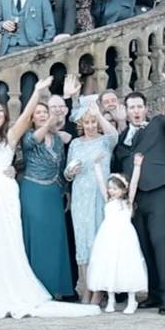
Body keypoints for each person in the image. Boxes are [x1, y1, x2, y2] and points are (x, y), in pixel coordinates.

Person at [0, 84, 99, 319]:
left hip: (2, 191)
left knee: (5, 237)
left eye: (0, 112)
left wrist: (37, 93)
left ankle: (7, 286)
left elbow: (25, 117)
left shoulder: (11, 135)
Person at [111, 61, 165, 315]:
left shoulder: (158, 126)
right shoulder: (122, 138)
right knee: (143, 246)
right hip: (134, 200)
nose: (136, 111)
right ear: (126, 111)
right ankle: (153, 293)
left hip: (159, 193)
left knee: (161, 241)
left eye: (139, 106)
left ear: (146, 108)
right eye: (131, 107)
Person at [20, 82, 75, 298]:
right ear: (33, 118)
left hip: (53, 193)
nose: (43, 115)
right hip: (33, 192)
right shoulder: (28, 136)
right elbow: (33, 140)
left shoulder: (59, 141)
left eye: (46, 112)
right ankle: (35, 288)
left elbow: (61, 168)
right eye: (39, 113)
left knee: (55, 239)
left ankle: (56, 287)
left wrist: (66, 187)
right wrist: (50, 123)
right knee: (36, 238)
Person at [64, 102, 119, 303]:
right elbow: (67, 173)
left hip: (100, 196)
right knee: (82, 242)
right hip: (80, 197)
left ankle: (98, 290)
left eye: (93, 121)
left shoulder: (105, 141)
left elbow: (115, 136)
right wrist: (71, 172)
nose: (90, 125)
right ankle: (86, 286)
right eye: (86, 122)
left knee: (99, 242)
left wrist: (100, 115)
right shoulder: (75, 144)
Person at [86, 153, 148, 314]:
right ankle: (111, 299)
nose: (111, 191)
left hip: (125, 236)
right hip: (108, 237)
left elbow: (134, 183)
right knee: (109, 265)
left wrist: (137, 166)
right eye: (110, 188)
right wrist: (97, 166)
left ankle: (132, 299)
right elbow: (100, 182)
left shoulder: (127, 202)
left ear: (123, 189)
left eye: (115, 188)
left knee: (127, 265)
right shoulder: (108, 201)